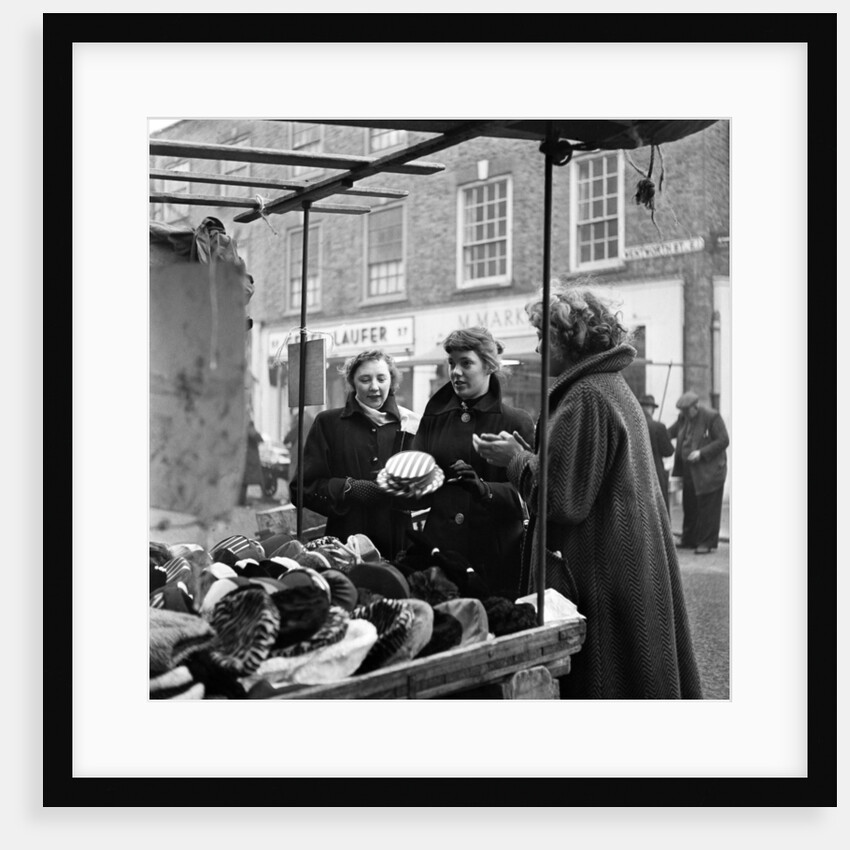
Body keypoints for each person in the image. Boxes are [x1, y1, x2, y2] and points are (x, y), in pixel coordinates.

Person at [477, 285, 702, 699]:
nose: (540, 346)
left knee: (605, 686)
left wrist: (515, 460)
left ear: (572, 338)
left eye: (546, 336)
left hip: (603, 575)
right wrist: (529, 455)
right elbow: (582, 477)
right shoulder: (608, 386)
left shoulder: (584, 395)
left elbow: (563, 499)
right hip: (623, 567)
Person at [411, 327, 534, 599]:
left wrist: (485, 489)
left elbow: (532, 494)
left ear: (489, 366)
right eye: (451, 363)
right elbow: (414, 489)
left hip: (495, 558)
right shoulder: (433, 418)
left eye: (466, 363)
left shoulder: (517, 422)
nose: (455, 372)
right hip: (442, 558)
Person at [291, 349, 420, 560]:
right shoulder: (328, 424)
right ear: (352, 383)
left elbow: (426, 492)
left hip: (397, 545)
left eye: (381, 378)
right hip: (345, 545)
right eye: (365, 379)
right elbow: (301, 489)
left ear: (392, 380)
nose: (374, 387)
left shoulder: (411, 425)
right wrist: (349, 488)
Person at [668, 390, 729, 554]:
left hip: (710, 471)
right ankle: (689, 539)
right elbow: (670, 432)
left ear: (695, 407)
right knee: (690, 505)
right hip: (689, 471)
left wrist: (701, 453)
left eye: (687, 411)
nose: (684, 415)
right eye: (682, 412)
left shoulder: (711, 417)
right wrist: (655, 432)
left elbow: (724, 440)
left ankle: (706, 543)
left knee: (708, 508)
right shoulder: (684, 418)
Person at [639, 393, 675, 514]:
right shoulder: (658, 427)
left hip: (637, 474)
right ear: (651, 408)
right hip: (656, 473)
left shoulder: (631, 424)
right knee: (660, 509)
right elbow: (668, 451)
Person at [239, 418, 264, 506]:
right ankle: (241, 501)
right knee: (244, 481)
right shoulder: (248, 426)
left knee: (243, 481)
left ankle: (241, 501)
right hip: (249, 458)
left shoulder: (240, 426)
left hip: (245, 457)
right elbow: (258, 438)